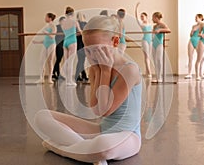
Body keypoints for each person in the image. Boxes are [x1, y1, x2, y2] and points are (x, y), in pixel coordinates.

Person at [34, 15, 142, 165]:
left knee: (103, 146)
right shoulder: (95, 67)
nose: (92, 56)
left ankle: (61, 149)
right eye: (88, 51)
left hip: (127, 137)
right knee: (42, 116)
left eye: (98, 50)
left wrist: (105, 71)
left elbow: (104, 111)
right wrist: (98, 71)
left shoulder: (130, 70)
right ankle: (88, 152)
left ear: (115, 42)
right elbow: (95, 107)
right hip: (101, 130)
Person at [33, 12, 57, 84]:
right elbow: (46, 38)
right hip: (45, 44)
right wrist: (37, 42)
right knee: (41, 61)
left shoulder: (53, 26)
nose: (45, 18)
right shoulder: (46, 26)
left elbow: (52, 36)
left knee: (50, 61)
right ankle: (41, 78)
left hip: (51, 44)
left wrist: (45, 32)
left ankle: (50, 78)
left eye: (46, 17)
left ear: (49, 18)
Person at [61, 7, 82, 86]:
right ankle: (70, 81)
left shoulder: (63, 22)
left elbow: (66, 32)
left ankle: (67, 81)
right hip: (72, 42)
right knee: (70, 62)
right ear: (72, 13)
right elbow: (79, 31)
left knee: (66, 62)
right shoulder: (74, 21)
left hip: (65, 41)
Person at [151, 12, 171, 83]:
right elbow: (153, 35)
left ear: (156, 18)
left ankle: (159, 77)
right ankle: (157, 77)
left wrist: (160, 30)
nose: (152, 19)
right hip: (154, 44)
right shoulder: (154, 26)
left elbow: (168, 30)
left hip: (159, 44)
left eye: (153, 17)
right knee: (154, 61)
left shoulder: (162, 25)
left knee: (158, 60)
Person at [185, 14, 204, 79]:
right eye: (195, 17)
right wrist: (192, 31)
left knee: (202, 58)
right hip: (192, 40)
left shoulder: (203, 25)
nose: (195, 19)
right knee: (190, 58)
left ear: (200, 18)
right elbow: (191, 35)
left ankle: (201, 74)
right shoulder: (194, 26)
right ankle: (189, 73)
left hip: (198, 41)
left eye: (196, 18)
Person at [135, 3, 152, 78]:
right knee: (147, 56)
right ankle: (149, 72)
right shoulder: (141, 24)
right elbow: (136, 17)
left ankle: (147, 71)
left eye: (143, 16)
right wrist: (136, 8)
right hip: (145, 40)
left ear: (146, 17)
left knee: (149, 56)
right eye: (141, 16)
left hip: (150, 41)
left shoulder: (150, 24)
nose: (141, 18)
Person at [75, 12, 89, 82]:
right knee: (81, 60)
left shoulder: (84, 24)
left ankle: (83, 75)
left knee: (82, 60)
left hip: (82, 43)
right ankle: (77, 75)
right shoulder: (82, 24)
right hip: (80, 43)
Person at [53, 16, 65, 80]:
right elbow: (54, 35)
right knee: (58, 59)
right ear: (60, 21)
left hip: (63, 44)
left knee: (59, 59)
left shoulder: (65, 27)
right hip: (58, 44)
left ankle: (57, 73)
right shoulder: (57, 27)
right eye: (63, 21)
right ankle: (54, 72)